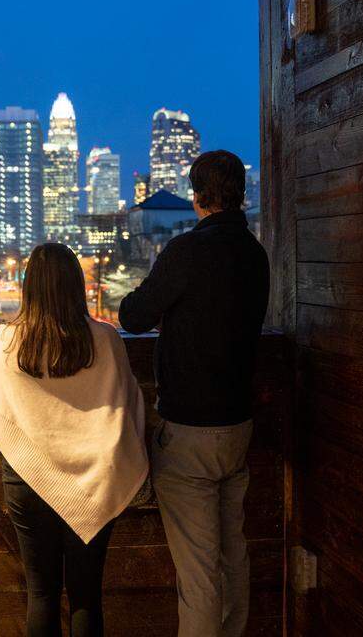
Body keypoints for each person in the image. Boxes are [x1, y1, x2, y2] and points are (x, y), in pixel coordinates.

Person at [119, 150, 270, 637]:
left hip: (190, 430)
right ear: (240, 194)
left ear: (198, 195)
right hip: (238, 424)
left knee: (199, 571)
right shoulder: (254, 253)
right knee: (233, 555)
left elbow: (132, 316)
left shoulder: (186, 251)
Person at [0, 243, 148, 637]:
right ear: (76, 285)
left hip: (27, 477)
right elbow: (128, 402)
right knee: (87, 595)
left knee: (41, 593)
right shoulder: (106, 339)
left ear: (29, 288)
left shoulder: (4, 341)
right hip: (98, 480)